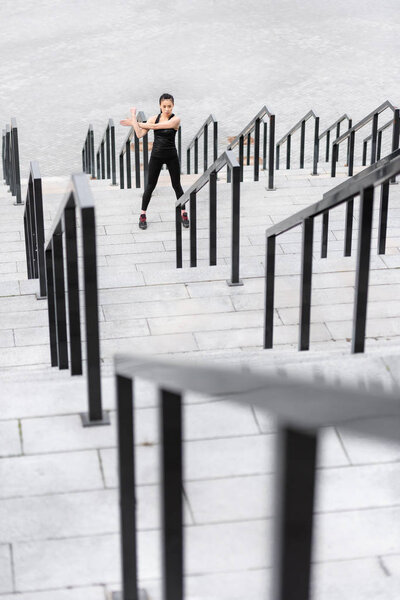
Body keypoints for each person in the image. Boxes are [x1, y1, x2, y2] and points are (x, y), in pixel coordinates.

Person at [120, 93, 189, 230]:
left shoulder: (176, 120)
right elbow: (139, 134)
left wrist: (134, 122)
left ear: (173, 106)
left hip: (171, 156)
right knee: (150, 186)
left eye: (169, 106)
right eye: (164, 106)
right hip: (156, 156)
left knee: (177, 185)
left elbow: (159, 127)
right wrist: (133, 117)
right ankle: (142, 215)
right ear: (160, 106)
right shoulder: (153, 118)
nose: (167, 109)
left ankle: (183, 213)